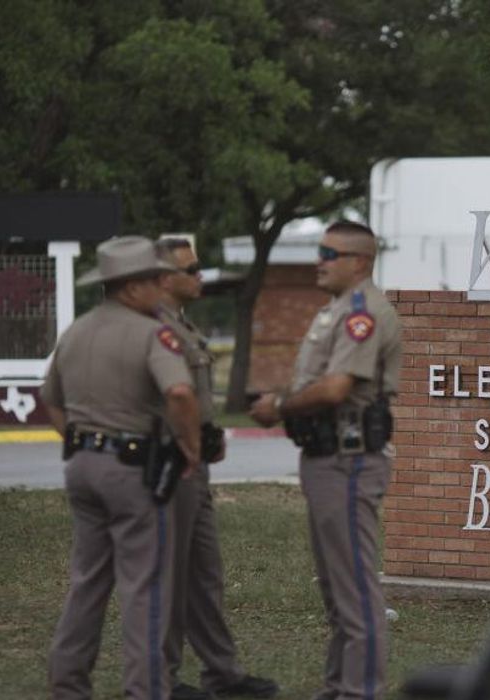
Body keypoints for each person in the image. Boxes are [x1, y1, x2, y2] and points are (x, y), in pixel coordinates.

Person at [41, 236, 203, 700]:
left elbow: (50, 400)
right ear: (132, 287)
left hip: (82, 466)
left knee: (88, 581)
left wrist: (83, 440)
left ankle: (68, 684)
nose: (163, 286)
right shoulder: (153, 332)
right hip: (133, 471)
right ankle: (146, 690)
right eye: (156, 279)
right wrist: (190, 449)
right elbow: (179, 393)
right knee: (145, 587)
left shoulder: (76, 331)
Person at [248, 221, 402, 700]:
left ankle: (361, 691)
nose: (319, 260)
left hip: (350, 460)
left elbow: (336, 388)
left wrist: (279, 406)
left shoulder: (363, 313)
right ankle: (339, 686)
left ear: (359, 261)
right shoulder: (336, 310)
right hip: (327, 457)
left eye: (328, 253)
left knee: (355, 587)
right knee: (337, 588)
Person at [154, 237, 279, 700]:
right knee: (169, 575)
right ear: (165, 278)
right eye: (192, 269)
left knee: (205, 573)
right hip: (172, 463)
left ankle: (222, 672)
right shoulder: (154, 328)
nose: (200, 276)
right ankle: (160, 680)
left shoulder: (182, 326)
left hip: (197, 463)